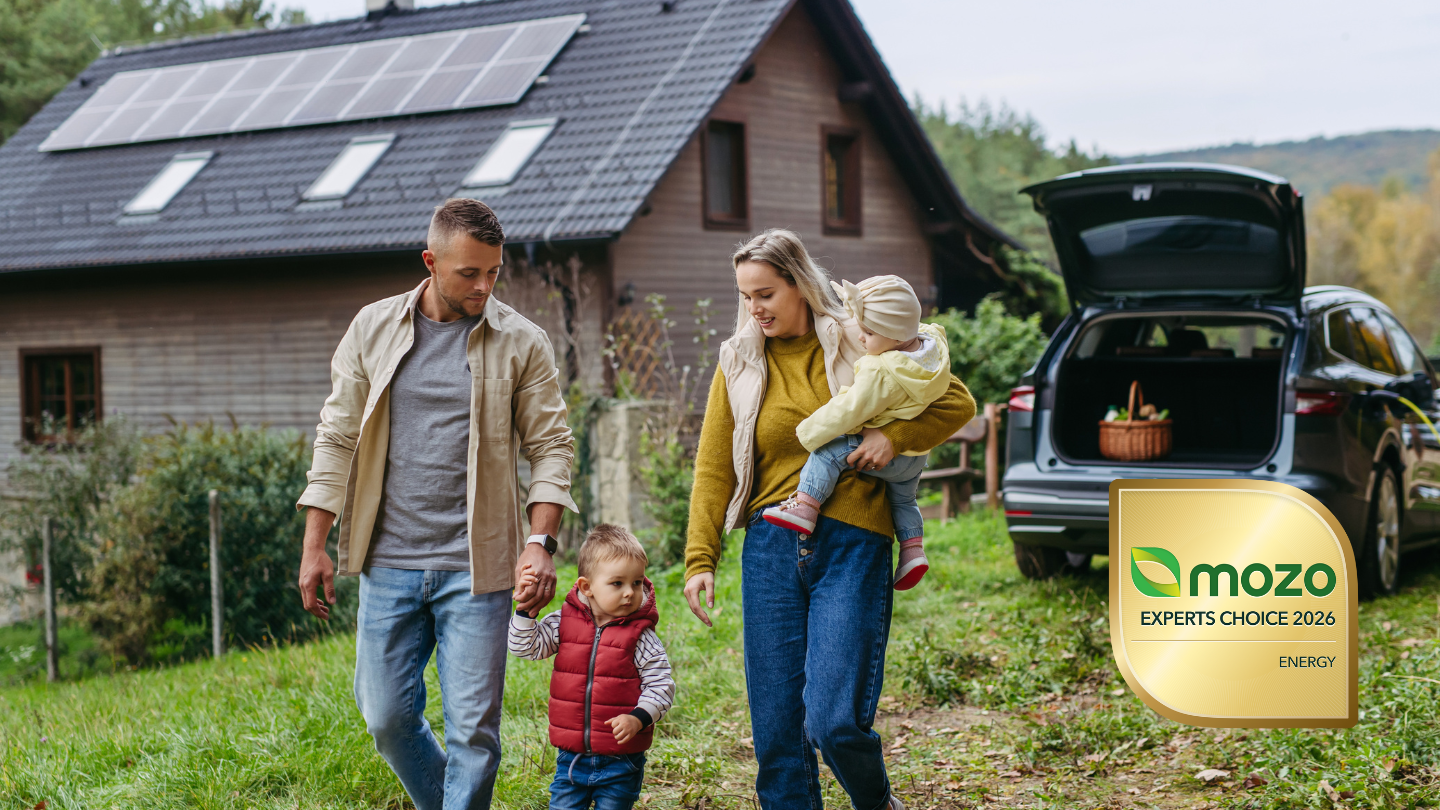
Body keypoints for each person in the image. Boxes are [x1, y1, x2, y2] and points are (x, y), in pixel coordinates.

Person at [295, 198, 577, 810]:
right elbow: (336, 435)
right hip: (389, 561)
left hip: (479, 569)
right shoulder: (371, 329)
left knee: (474, 732)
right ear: (430, 262)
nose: (483, 287)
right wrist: (315, 543)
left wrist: (540, 543)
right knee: (385, 716)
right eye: (468, 274)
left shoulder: (522, 342)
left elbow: (552, 447)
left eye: (493, 273)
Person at [682, 230, 975, 810]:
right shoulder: (738, 359)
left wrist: (894, 436)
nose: (754, 308)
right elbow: (713, 466)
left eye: (764, 293)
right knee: (777, 737)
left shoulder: (858, 333)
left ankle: (876, 801)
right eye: (745, 296)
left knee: (834, 721)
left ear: (799, 284)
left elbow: (955, 399)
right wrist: (700, 558)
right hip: (770, 546)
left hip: (852, 539)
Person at [762, 274, 950, 590]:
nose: (861, 338)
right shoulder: (933, 346)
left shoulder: (882, 370)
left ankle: (806, 506)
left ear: (893, 333)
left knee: (828, 451)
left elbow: (849, 409)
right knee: (903, 501)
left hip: (884, 452)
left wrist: (809, 431)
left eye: (868, 332)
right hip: (914, 457)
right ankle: (913, 549)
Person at [509, 524, 675, 810]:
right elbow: (526, 647)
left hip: (622, 760)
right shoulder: (564, 622)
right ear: (587, 587)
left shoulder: (641, 636)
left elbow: (661, 684)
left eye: (637, 583)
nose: (630, 593)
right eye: (617, 583)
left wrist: (638, 717)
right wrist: (526, 611)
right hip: (571, 758)